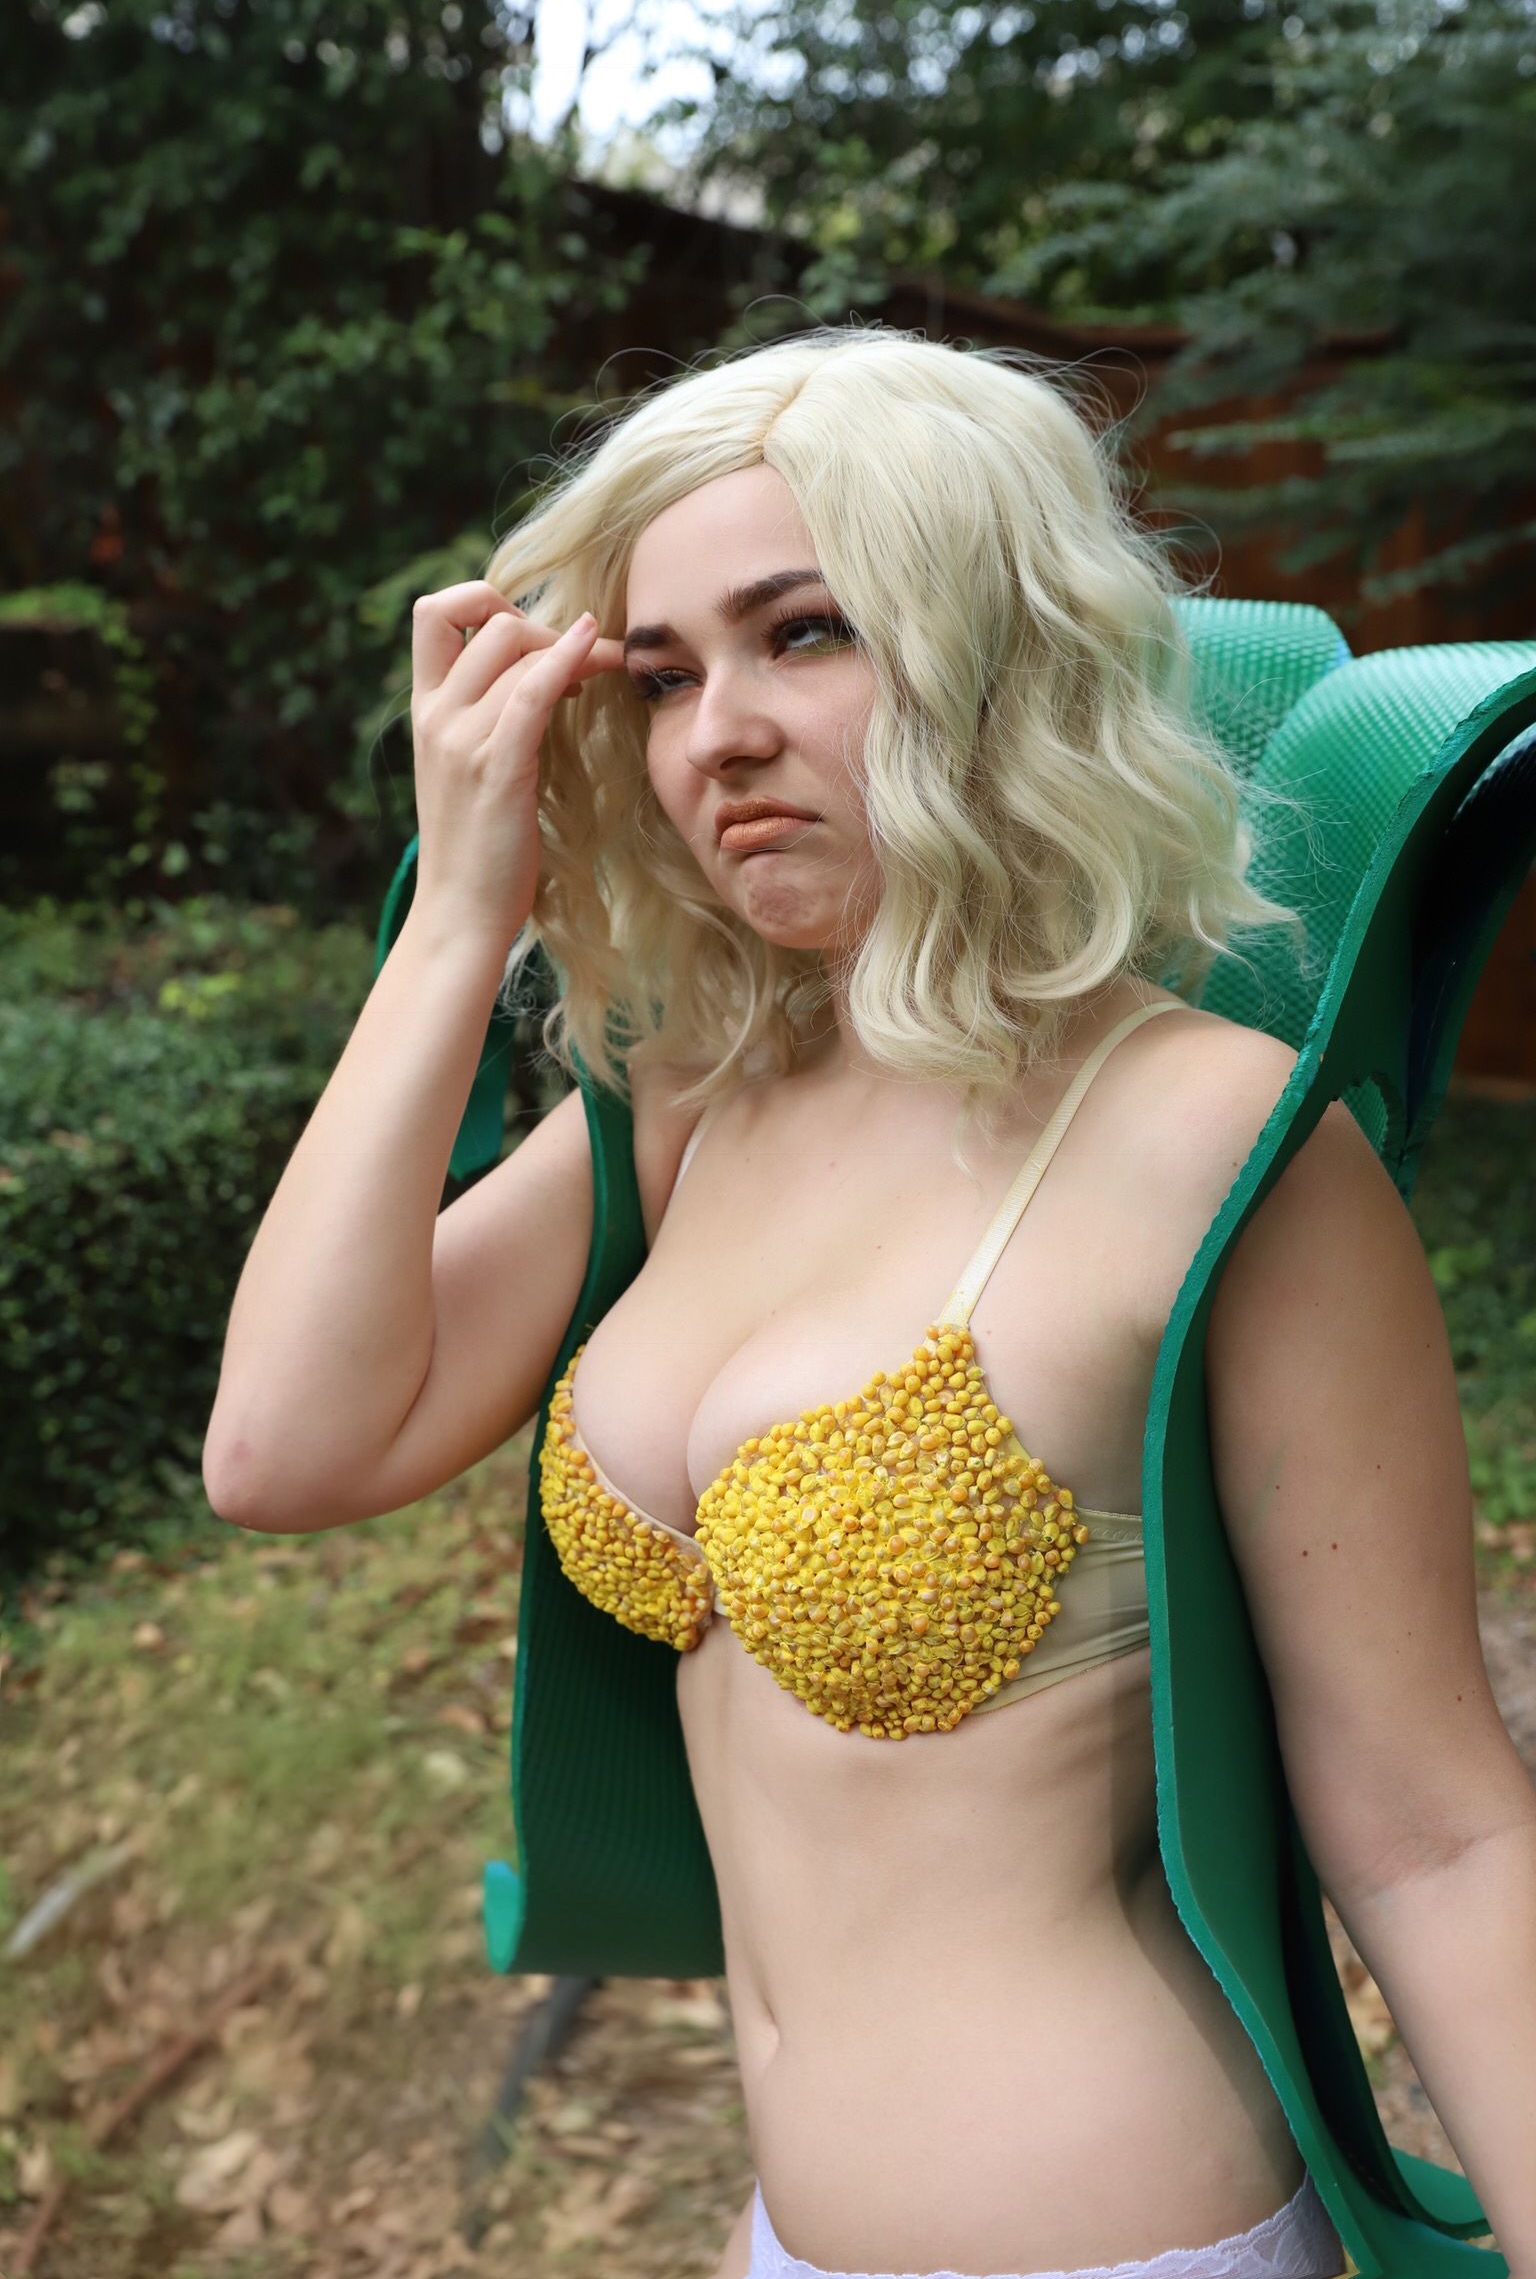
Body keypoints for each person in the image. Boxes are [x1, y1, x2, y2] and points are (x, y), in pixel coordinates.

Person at [204, 327, 1536, 2279]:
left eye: (802, 633)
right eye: (663, 676)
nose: (714, 737)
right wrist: (459, 924)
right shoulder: (696, 1098)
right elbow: (284, 1449)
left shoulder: (1220, 1147)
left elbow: (1439, 1836)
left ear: (998, 656)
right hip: (785, 2235)